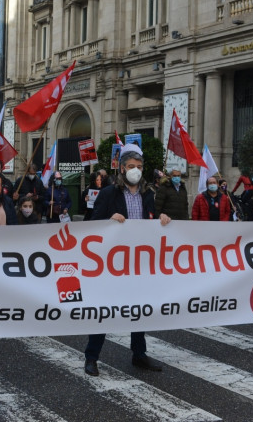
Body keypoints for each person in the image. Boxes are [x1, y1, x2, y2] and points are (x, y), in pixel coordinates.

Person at [84, 144, 171, 376]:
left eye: (139, 167)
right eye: (131, 166)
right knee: (104, 310)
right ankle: (92, 357)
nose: (136, 170)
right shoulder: (108, 193)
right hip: (112, 264)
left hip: (138, 264)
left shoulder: (148, 194)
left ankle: (139, 354)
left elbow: (153, 222)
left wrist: (162, 218)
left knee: (139, 310)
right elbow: (93, 223)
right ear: (122, 168)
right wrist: (108, 219)